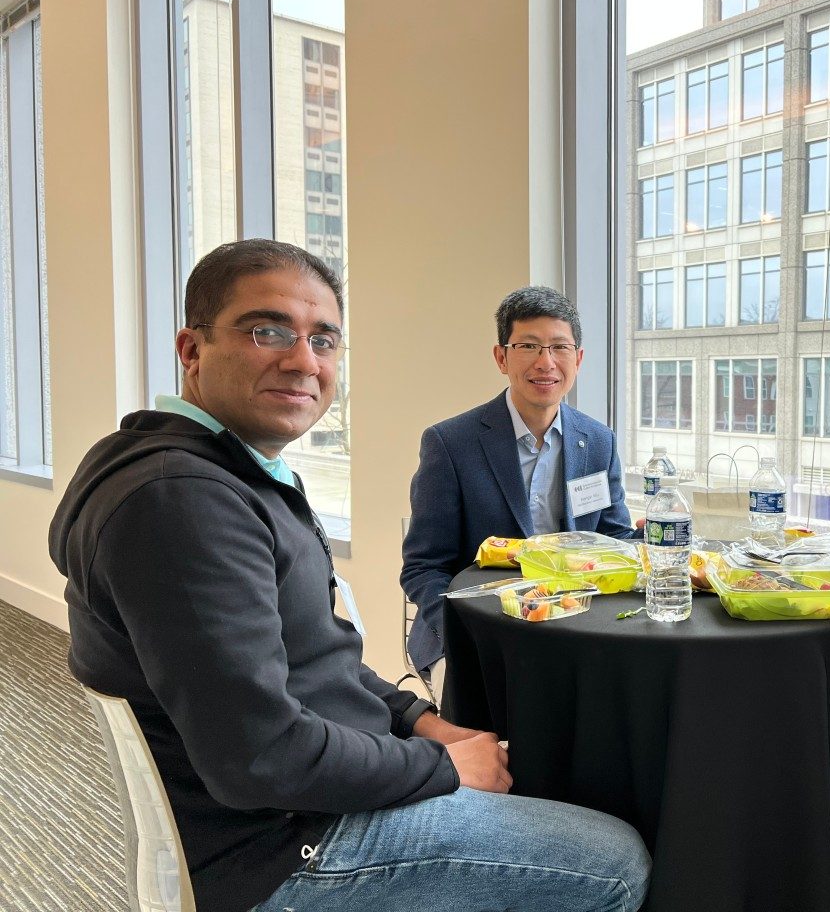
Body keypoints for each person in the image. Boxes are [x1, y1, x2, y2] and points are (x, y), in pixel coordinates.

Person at [50, 240, 650, 912]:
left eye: (324, 339)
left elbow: (319, 661)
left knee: (547, 777)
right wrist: (442, 767)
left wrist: (426, 723)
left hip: (314, 795)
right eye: (268, 330)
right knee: (618, 858)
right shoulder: (182, 502)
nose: (304, 360)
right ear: (192, 351)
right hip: (288, 848)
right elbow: (260, 757)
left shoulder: (225, 477)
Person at [401, 285, 637, 672]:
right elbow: (424, 566)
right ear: (501, 357)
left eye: (559, 347)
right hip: (476, 633)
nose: (546, 363)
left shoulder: (598, 441)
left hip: (577, 626)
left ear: (577, 359)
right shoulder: (450, 443)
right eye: (528, 346)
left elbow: (613, 539)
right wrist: (463, 634)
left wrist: (656, 539)